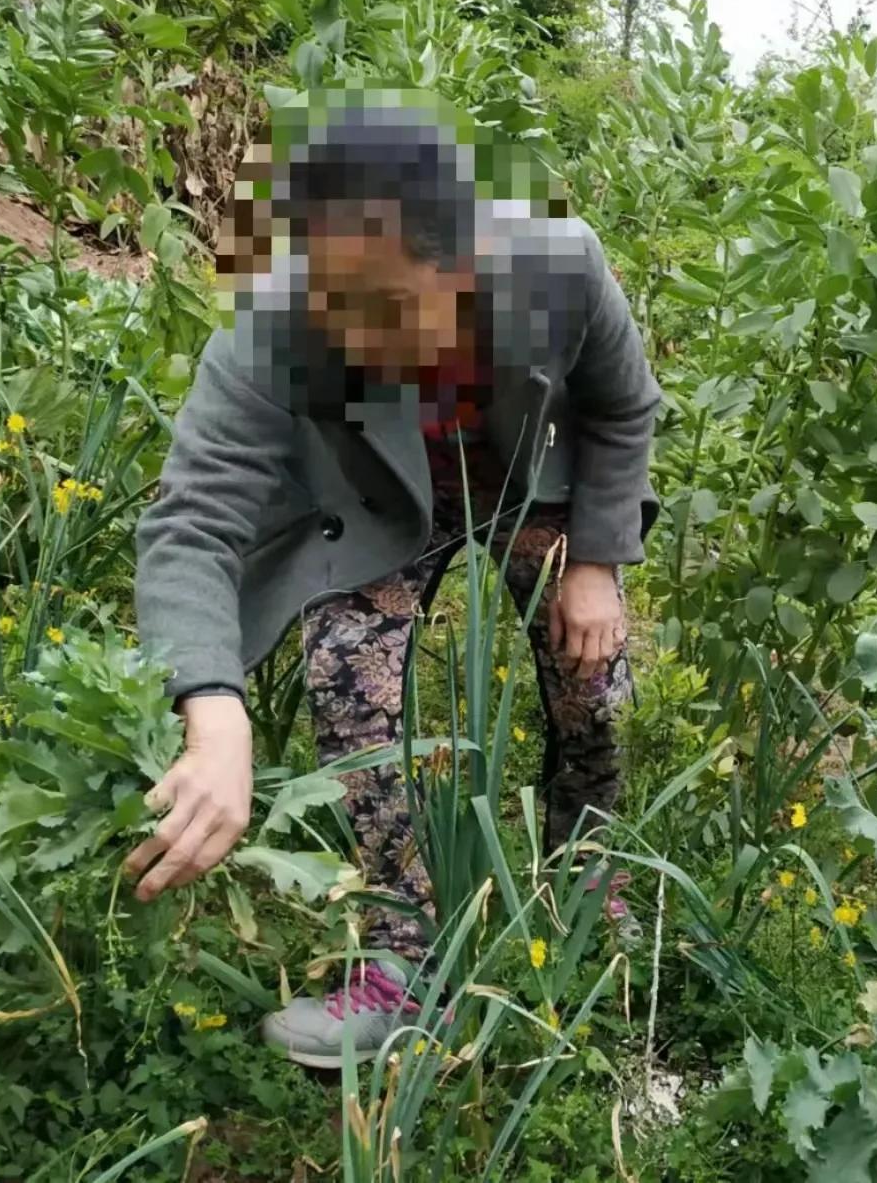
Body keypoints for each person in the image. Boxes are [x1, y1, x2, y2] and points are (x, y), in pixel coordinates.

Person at [126, 93, 662, 1068]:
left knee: (592, 674)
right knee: (344, 663)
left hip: (521, 479)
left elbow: (623, 408)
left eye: (378, 305)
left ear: (462, 264)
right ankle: (406, 962)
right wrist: (212, 704)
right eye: (326, 297)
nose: (341, 331)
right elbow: (191, 516)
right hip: (379, 504)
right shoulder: (282, 318)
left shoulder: (558, 265)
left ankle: (588, 884)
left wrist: (596, 559)